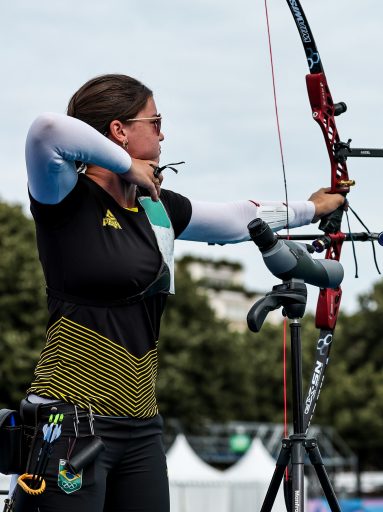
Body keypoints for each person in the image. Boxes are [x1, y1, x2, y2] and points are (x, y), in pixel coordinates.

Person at [12, 74, 344, 512]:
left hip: (141, 427)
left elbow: (236, 219)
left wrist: (314, 207)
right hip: (69, 421)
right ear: (119, 130)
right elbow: (46, 130)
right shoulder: (65, 196)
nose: (163, 132)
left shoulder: (156, 208)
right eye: (155, 120)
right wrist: (125, 165)